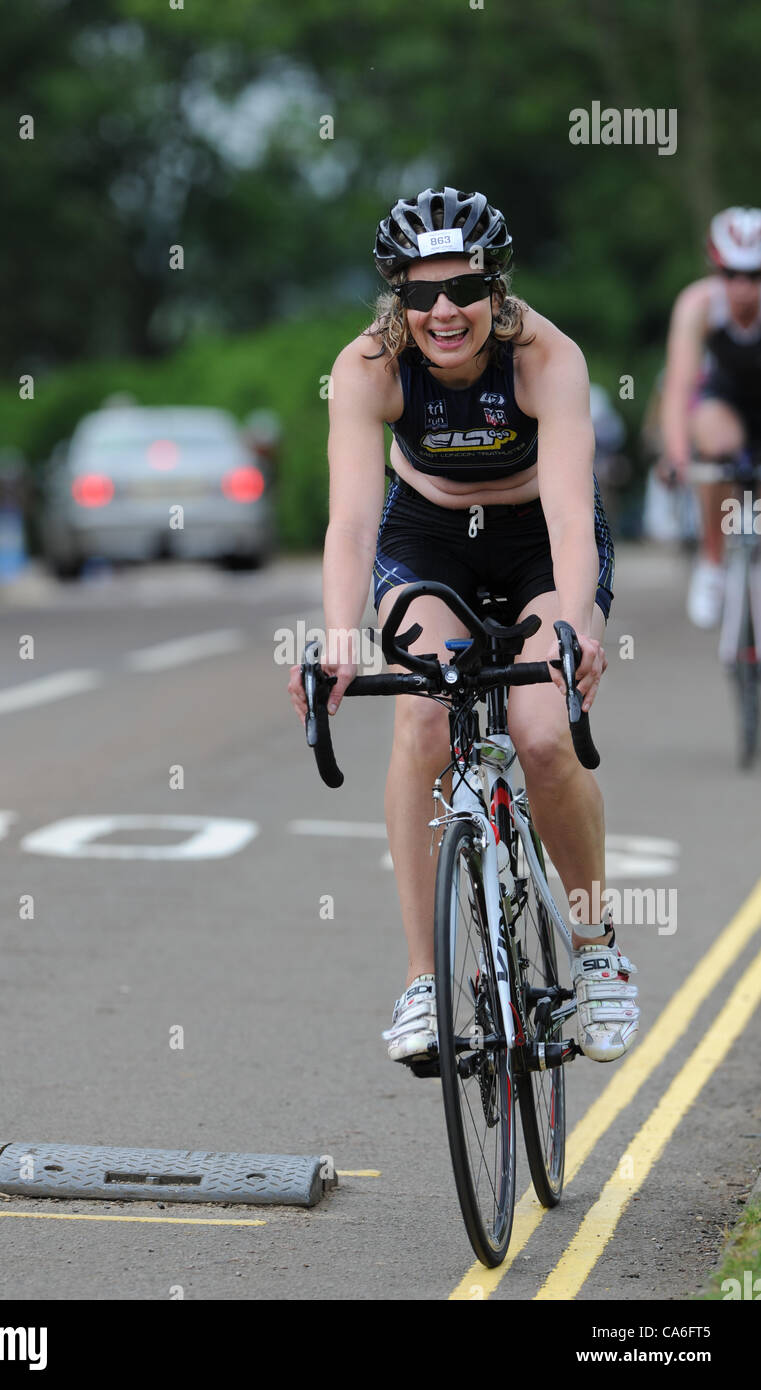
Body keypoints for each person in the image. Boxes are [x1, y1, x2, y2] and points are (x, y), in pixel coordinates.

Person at [288, 187, 639, 1065]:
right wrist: (338, 635)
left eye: (463, 290)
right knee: (423, 716)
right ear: (395, 297)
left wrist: (578, 629)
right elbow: (353, 527)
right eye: (419, 293)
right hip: (428, 535)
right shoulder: (368, 367)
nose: (442, 311)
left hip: (534, 539)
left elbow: (568, 515)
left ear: (496, 287)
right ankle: (421, 980)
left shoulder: (544, 358)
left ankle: (597, 955)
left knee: (542, 734)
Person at [660, 206, 761, 627]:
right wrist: (678, 458)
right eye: (731, 274)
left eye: (755, 276)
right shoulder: (698, 305)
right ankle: (714, 562)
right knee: (712, 444)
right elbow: (680, 386)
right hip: (727, 406)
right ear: (715, 268)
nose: (743, 288)